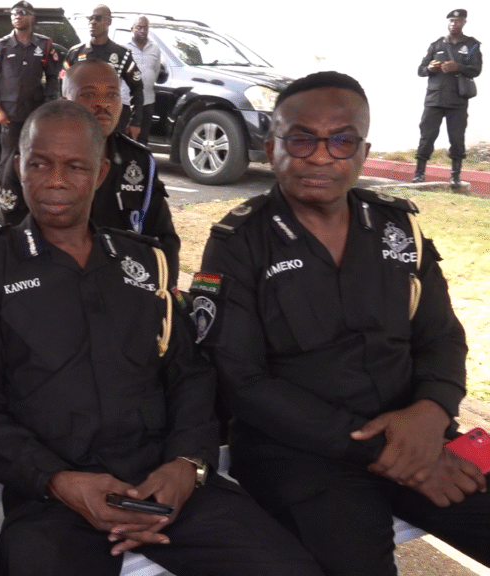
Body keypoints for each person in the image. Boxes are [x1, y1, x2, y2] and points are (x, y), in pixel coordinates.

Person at [0, 99, 324, 576]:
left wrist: (187, 464)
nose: (55, 180)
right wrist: (58, 480)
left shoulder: (144, 263)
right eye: (39, 164)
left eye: (75, 166)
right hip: (54, 500)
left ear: (101, 172)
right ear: (18, 165)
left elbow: (189, 374)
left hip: (165, 483)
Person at [193, 71, 490, 576]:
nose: (321, 156)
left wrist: (432, 412)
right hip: (302, 458)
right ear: (272, 148)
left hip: (416, 432)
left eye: (342, 141)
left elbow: (441, 337)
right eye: (302, 140)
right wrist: (389, 450)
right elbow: (243, 383)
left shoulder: (398, 228)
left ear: (363, 151)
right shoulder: (238, 243)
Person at [0, 60, 178, 278]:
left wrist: (161, 291)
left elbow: (164, 240)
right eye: (88, 95)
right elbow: (11, 235)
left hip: (124, 280)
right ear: (65, 101)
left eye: (112, 95)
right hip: (47, 279)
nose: (102, 104)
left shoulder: (138, 161)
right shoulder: (31, 159)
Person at [0, 0, 61, 212]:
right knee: (8, 160)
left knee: (35, 158)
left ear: (31, 17)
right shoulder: (2, 45)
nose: (17, 16)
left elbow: (53, 77)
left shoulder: (44, 45)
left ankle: (32, 204)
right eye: (14, 13)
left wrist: (47, 107)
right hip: (9, 114)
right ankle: (7, 205)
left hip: (36, 114)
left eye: (22, 12)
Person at [413, 9, 482, 185]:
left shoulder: (472, 45)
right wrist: (430, 68)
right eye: (451, 20)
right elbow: (420, 70)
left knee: (457, 138)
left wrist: (458, 67)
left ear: (464, 23)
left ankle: (455, 176)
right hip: (434, 99)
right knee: (427, 136)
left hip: (458, 99)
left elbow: (476, 70)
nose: (454, 24)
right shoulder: (436, 45)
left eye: (458, 21)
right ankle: (419, 173)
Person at [64, 4, 144, 140]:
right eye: (90, 18)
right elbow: (62, 88)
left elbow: (137, 87)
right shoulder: (75, 53)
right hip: (80, 121)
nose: (92, 22)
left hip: (107, 120)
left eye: (98, 18)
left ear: (109, 21)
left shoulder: (121, 54)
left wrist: (135, 122)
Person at [125, 16, 161, 145]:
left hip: (147, 101)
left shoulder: (155, 49)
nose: (142, 31)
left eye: (145, 28)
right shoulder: (124, 47)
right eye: (139, 27)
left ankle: (141, 158)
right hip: (128, 102)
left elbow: (156, 71)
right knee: (126, 138)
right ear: (132, 29)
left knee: (143, 139)